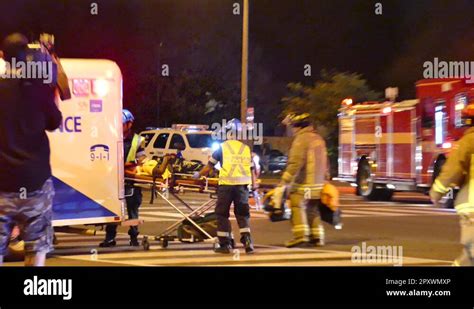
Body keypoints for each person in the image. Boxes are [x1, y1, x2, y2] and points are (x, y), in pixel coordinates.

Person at [0, 33, 62, 266]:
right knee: (36, 248)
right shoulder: (38, 89)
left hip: (1, 183)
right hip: (35, 182)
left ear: (3, 57)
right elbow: (54, 123)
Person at [194, 119, 257, 254]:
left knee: (222, 214)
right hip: (243, 186)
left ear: (227, 135)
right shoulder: (245, 148)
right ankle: (247, 241)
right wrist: (254, 185)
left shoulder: (222, 148)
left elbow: (209, 166)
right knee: (242, 214)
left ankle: (224, 244)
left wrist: (198, 175)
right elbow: (252, 169)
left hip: (227, 185)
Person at [430, 103, 474, 266]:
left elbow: (452, 171)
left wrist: (436, 193)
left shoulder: (468, 142)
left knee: (470, 257)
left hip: (472, 207)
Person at [275, 113, 328, 248]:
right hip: (318, 184)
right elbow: (326, 163)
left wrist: (284, 181)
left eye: (293, 127)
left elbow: (295, 163)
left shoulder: (301, 140)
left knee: (296, 205)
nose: (292, 130)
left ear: (298, 127)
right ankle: (317, 237)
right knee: (312, 209)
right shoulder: (318, 139)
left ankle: (300, 236)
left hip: (305, 184)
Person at [99, 109, 146, 247]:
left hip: (130, 180)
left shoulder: (138, 140)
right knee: (112, 209)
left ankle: (134, 237)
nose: (118, 126)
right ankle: (110, 238)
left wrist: (128, 165)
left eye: (121, 124)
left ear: (129, 124)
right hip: (113, 179)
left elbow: (141, 159)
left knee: (132, 210)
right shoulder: (111, 137)